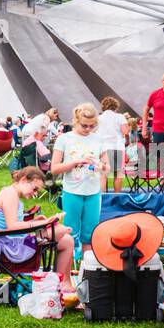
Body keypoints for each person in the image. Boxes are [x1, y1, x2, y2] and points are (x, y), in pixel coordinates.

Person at [0, 167, 76, 278]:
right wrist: (42, 224)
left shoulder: (12, 193)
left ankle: (61, 282)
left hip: (13, 241)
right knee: (60, 230)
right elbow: (12, 226)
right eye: (34, 189)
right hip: (10, 246)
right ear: (24, 180)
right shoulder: (10, 194)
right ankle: (61, 283)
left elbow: (13, 223)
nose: (34, 194)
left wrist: (35, 221)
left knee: (67, 240)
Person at [51, 103, 106, 259]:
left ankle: (86, 268)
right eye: (84, 125)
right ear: (75, 120)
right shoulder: (64, 139)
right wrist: (76, 162)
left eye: (92, 126)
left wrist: (99, 166)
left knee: (90, 233)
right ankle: (69, 267)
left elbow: (107, 167)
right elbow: (54, 168)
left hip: (93, 192)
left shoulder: (98, 139)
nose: (88, 129)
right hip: (72, 191)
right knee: (70, 232)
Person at [95, 96, 127, 192]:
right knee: (118, 175)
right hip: (117, 147)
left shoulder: (98, 118)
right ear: (116, 106)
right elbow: (125, 131)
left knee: (103, 174)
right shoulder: (120, 117)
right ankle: (117, 198)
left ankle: (103, 199)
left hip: (103, 148)